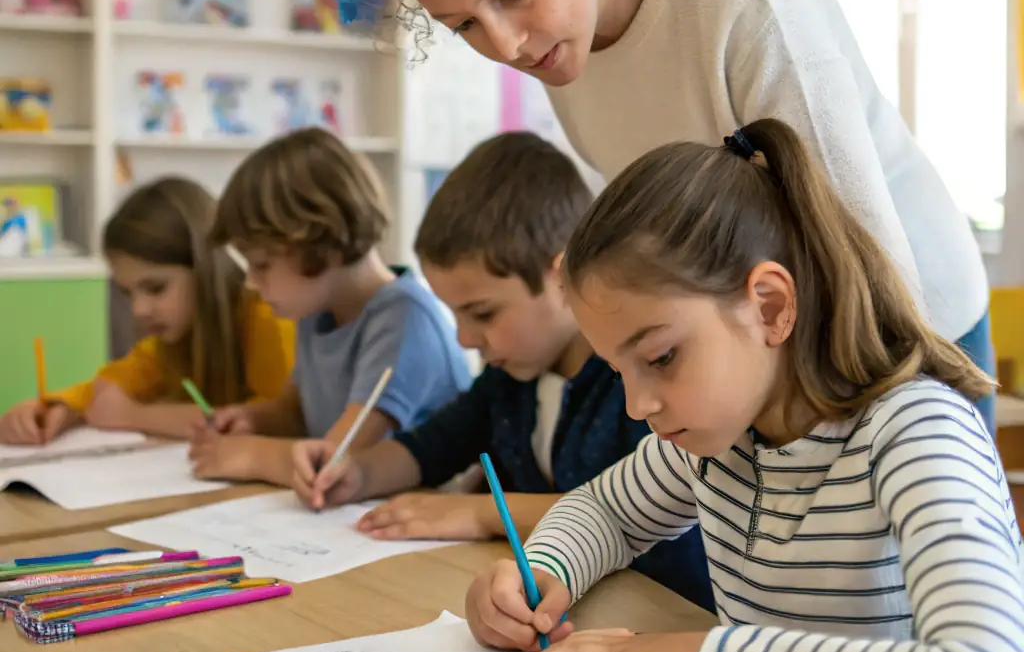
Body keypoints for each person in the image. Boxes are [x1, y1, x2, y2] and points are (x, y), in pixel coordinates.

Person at [370, 0, 996, 433]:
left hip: (904, 329)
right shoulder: (564, 51)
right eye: (464, 25)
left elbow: (862, 256)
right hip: (763, 349)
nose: (507, 45)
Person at [464, 120, 1023, 652]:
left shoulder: (916, 433)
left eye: (662, 356)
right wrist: (539, 572)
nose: (639, 404)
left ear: (769, 306)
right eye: (621, 371)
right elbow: (605, 513)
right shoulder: (720, 438)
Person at [303, 130, 715, 610]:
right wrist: (357, 473)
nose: (463, 339)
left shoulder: (638, 387)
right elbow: (430, 448)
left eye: (482, 314)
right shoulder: (509, 379)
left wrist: (480, 515)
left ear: (562, 277)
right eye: (454, 314)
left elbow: (644, 519)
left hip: (664, 616)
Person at [191, 127, 469, 488]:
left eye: (260, 264)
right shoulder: (318, 311)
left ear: (320, 244)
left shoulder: (404, 318)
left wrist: (250, 455)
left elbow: (335, 459)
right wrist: (252, 421)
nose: (250, 282)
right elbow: (296, 414)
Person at [0, 177, 294, 446]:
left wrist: (133, 415)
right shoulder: (175, 340)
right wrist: (60, 408)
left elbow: (270, 421)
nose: (138, 309)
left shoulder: (269, 318)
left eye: (155, 288)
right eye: (128, 292)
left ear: (206, 270)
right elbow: (113, 383)